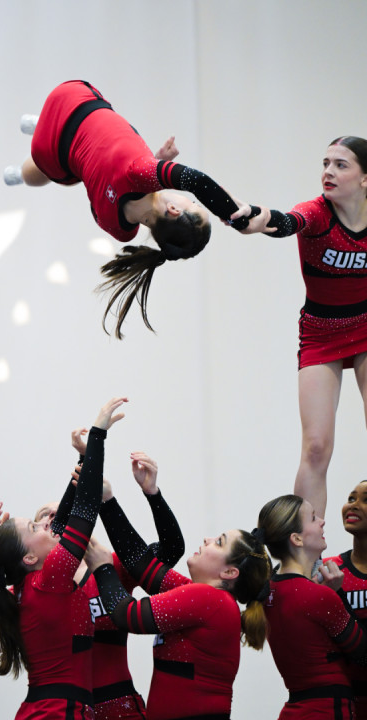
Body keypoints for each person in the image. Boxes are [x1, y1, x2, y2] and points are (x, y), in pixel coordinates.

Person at [4, 79, 262, 338]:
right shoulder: (121, 229)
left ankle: (43, 125)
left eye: (194, 204)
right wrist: (153, 162)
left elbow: (198, 182)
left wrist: (236, 216)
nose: (192, 200)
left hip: (73, 97)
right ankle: (25, 161)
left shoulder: (144, 174)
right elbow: (106, 190)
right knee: (65, 174)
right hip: (50, 151)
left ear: (174, 209)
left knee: (80, 160)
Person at [0, 429, 185, 720]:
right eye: (42, 518)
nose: (51, 520)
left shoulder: (111, 568)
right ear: (30, 551)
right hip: (63, 710)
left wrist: (152, 494)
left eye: (59, 514)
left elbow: (170, 551)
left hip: (119, 709)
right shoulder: (31, 591)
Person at [229, 136, 367, 519]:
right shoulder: (317, 213)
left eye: (341, 165)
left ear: (365, 178)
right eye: (325, 163)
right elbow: (284, 221)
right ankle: (303, 546)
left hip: (366, 325)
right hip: (321, 333)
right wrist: (256, 219)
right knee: (316, 447)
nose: (328, 171)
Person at [84, 456, 272, 720]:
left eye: (218, 542)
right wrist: (107, 500)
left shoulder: (210, 600)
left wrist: (103, 568)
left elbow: (129, 616)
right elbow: (142, 564)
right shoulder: (199, 595)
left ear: (230, 572)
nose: (207, 539)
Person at [0, 396, 127, 720]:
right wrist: (98, 435)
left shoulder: (31, 586)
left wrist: (83, 458)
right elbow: (84, 511)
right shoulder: (47, 580)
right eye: (34, 526)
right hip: (56, 712)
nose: (47, 525)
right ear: (29, 557)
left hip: (52, 710)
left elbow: (64, 520)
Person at [257, 493, 367, 719]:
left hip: (297, 707)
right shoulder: (318, 596)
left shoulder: (268, 591)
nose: (322, 521)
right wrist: (337, 593)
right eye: (314, 518)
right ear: (297, 539)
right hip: (326, 710)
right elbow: (363, 654)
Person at [324, 480, 367, 716]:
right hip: (342, 704)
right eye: (351, 498)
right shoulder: (330, 570)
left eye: (366, 500)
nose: (354, 505)